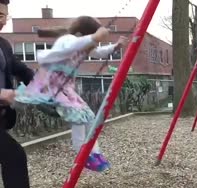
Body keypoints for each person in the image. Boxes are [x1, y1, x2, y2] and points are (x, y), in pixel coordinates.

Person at [8, 16, 127, 172]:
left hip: (66, 89)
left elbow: (98, 52)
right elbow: (71, 47)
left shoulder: (82, 43)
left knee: (90, 117)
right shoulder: (68, 40)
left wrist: (115, 47)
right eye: (90, 37)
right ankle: (82, 155)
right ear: (82, 33)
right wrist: (94, 37)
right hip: (53, 86)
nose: (92, 43)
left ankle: (95, 152)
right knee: (77, 120)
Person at [0, 0, 47, 188]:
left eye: (5, 15)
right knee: (14, 157)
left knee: (11, 157)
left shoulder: (4, 45)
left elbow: (20, 69)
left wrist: (39, 82)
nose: (2, 19)